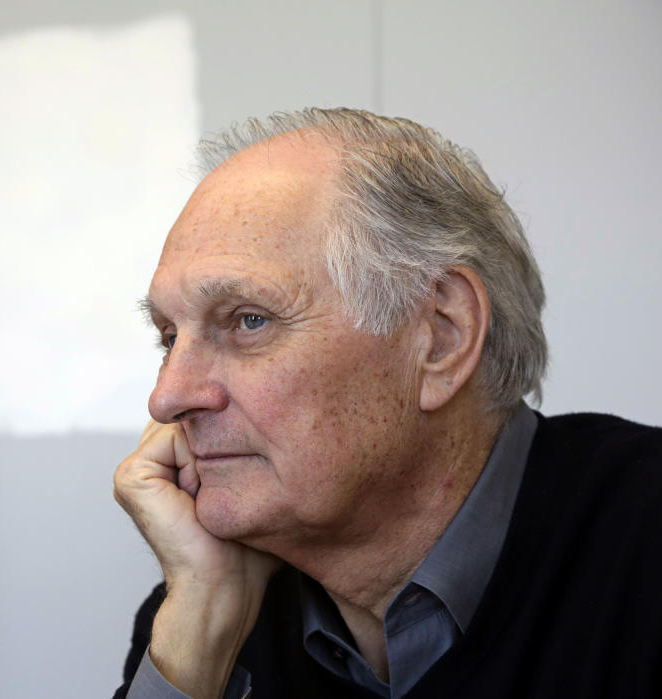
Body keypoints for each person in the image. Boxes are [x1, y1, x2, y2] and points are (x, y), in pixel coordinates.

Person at [111, 108, 662, 699]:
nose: (167, 396)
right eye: (170, 338)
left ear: (442, 336)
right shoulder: (207, 609)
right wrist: (199, 627)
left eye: (248, 320)